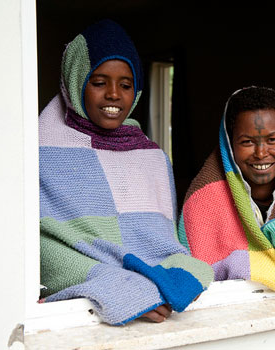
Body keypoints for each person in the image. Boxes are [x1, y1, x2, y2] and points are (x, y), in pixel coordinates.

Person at [39, 19, 213, 325]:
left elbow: (162, 241)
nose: (113, 94)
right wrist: (119, 287)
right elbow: (41, 247)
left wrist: (173, 275)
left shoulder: (152, 157)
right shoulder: (40, 151)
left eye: (126, 84)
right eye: (98, 82)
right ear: (75, 79)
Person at [178, 86, 275, 293]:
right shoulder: (203, 199)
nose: (261, 153)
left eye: (272, 140)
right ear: (228, 144)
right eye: (247, 142)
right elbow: (197, 269)